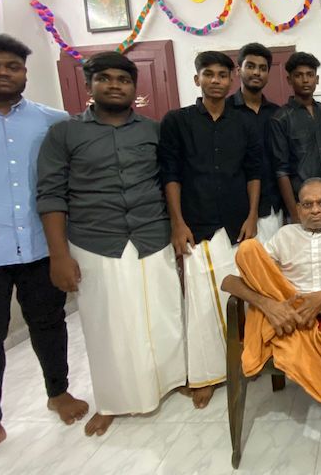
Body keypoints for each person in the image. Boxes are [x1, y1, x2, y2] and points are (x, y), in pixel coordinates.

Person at [38, 51, 186, 436]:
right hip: (96, 240)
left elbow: (170, 181)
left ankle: (171, 381)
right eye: (105, 78)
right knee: (106, 325)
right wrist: (58, 255)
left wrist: (177, 227)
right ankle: (112, 401)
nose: (115, 85)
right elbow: (51, 195)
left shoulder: (153, 130)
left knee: (163, 314)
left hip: (152, 234)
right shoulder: (64, 133)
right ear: (89, 85)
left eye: (123, 79)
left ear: (134, 87)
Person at [0, 34, 88, 474]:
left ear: (24, 72)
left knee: (49, 325)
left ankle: (58, 392)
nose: (2, 73)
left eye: (12, 66)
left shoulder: (53, 121)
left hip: (40, 247)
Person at [221, 178, 321, 475]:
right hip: (288, 318)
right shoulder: (285, 235)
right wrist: (269, 305)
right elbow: (229, 281)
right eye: (307, 204)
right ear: (297, 208)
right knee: (248, 251)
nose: (315, 210)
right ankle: (285, 325)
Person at [158, 50, 262, 408]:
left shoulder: (244, 122)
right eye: (209, 74)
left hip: (236, 222)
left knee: (242, 295)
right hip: (196, 222)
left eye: (222, 74)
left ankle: (247, 358)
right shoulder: (177, 121)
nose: (216, 80)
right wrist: (177, 223)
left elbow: (253, 172)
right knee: (201, 300)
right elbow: (170, 174)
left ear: (232, 79)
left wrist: (252, 216)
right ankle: (206, 374)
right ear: (197, 79)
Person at [269, 52, 321, 222]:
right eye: (299, 75)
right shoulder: (280, 118)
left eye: (310, 74)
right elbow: (281, 171)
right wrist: (295, 212)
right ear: (289, 80)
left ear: (317, 79)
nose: (305, 80)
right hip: (303, 203)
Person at [226, 42, 284, 241]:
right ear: (238, 70)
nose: (257, 72)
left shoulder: (277, 113)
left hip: (274, 207)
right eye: (250, 66)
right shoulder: (225, 111)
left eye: (262, 68)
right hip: (237, 209)